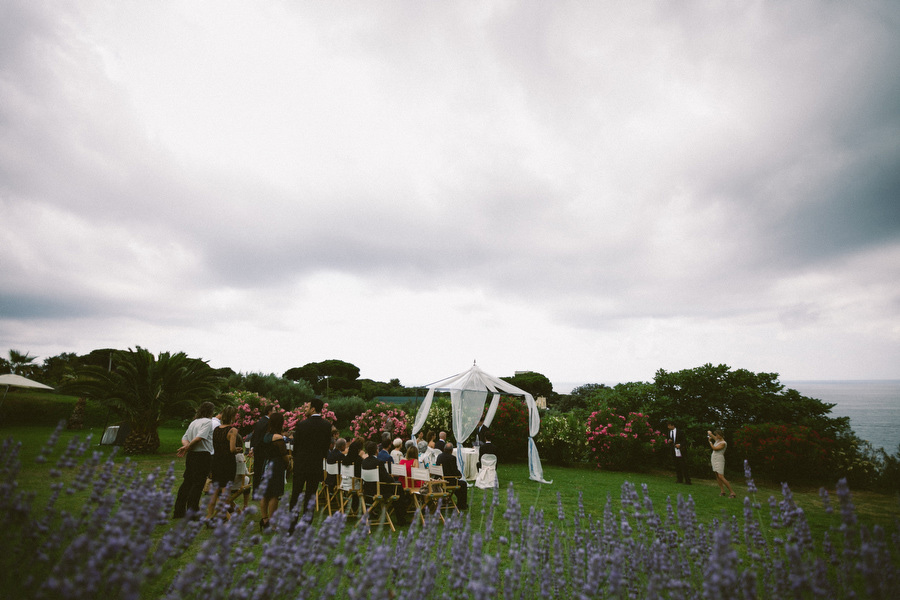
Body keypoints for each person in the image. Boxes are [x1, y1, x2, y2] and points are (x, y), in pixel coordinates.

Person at [290, 398, 333, 513]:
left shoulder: (302, 424)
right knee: (311, 495)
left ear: (313, 409)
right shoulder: (327, 425)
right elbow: (326, 446)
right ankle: (306, 523)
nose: (306, 409)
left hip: (301, 464)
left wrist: (296, 457)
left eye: (307, 407)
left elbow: (296, 445)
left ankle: (292, 523)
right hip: (316, 464)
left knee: (296, 493)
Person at [174, 402, 215, 519]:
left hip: (191, 455)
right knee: (197, 484)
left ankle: (179, 511)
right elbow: (199, 438)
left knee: (187, 482)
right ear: (211, 411)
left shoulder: (194, 422)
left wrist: (186, 447)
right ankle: (193, 512)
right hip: (203, 456)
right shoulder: (208, 422)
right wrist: (187, 447)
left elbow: (185, 438)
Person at [207, 405, 242, 520]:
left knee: (214, 492)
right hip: (227, 463)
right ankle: (223, 517)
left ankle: (208, 516)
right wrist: (238, 449)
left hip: (216, 461)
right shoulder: (232, 430)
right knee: (226, 492)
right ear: (232, 416)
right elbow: (232, 449)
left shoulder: (217, 429)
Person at [260, 412, 292, 531]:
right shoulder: (278, 438)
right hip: (277, 465)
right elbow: (284, 454)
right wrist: (288, 463)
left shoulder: (266, 436)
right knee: (274, 494)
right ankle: (273, 524)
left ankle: (264, 519)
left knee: (265, 493)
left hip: (266, 464)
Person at [250, 404, 276, 495]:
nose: (275, 412)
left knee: (257, 472)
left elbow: (254, 435)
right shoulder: (268, 423)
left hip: (257, 449)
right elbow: (264, 438)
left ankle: (255, 492)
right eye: (274, 410)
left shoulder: (260, 421)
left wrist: (252, 447)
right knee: (263, 472)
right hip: (264, 450)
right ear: (269, 412)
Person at [436, 442, 468, 509]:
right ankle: (462, 504)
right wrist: (460, 475)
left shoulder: (439, 456)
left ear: (444, 449)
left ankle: (458, 502)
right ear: (451, 450)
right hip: (448, 481)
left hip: (440, 480)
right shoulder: (452, 458)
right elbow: (454, 471)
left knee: (459, 485)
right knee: (463, 484)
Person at [708, 430, 736, 498]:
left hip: (719, 459)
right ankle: (722, 491)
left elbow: (714, 448)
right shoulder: (717, 440)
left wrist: (710, 441)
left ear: (721, 435)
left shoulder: (723, 443)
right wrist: (710, 433)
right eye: (716, 435)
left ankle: (732, 492)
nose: (716, 436)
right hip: (714, 458)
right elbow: (712, 435)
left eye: (718, 435)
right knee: (717, 475)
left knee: (721, 476)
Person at [666, 420, 691, 485]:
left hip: (680, 450)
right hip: (673, 450)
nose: (668, 427)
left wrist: (679, 445)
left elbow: (684, 441)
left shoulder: (680, 432)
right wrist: (669, 441)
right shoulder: (669, 432)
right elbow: (668, 440)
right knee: (676, 465)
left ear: (673, 425)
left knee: (683, 465)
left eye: (669, 425)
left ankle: (688, 480)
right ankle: (679, 479)